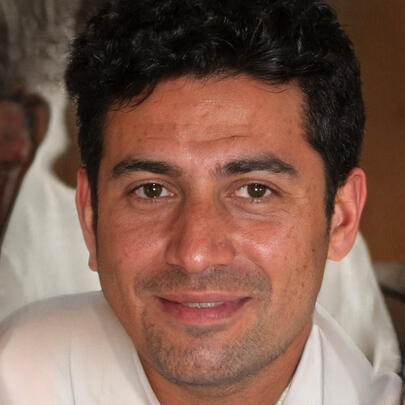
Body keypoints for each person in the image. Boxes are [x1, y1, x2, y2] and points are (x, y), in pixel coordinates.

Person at [0, 0, 402, 404]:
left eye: (255, 191)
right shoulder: (15, 375)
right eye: (152, 190)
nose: (194, 254)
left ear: (342, 218)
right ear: (90, 218)